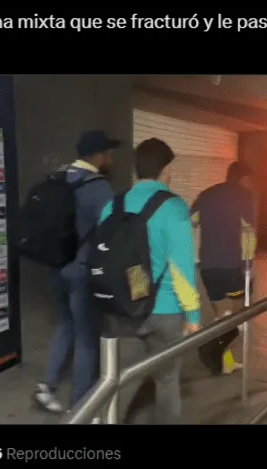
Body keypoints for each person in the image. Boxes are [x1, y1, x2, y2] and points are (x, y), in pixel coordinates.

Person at [96, 138, 201, 424]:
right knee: (167, 381)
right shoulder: (174, 207)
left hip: (120, 306)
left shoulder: (113, 205)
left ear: (136, 169)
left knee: (119, 383)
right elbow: (181, 269)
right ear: (166, 169)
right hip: (163, 309)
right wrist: (192, 315)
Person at [33, 130, 119, 413]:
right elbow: (112, 233)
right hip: (81, 272)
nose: (111, 158)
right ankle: (81, 406)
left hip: (55, 267)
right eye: (108, 153)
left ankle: (47, 387)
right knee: (87, 338)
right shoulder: (98, 187)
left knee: (65, 325)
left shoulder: (58, 178)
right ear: (98, 155)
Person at [191, 161, 257, 373]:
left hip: (208, 266)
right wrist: (248, 265)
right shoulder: (245, 196)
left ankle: (223, 363)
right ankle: (208, 348)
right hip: (230, 266)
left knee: (221, 316)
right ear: (243, 178)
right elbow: (249, 231)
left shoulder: (206, 194)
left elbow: (191, 222)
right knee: (235, 318)